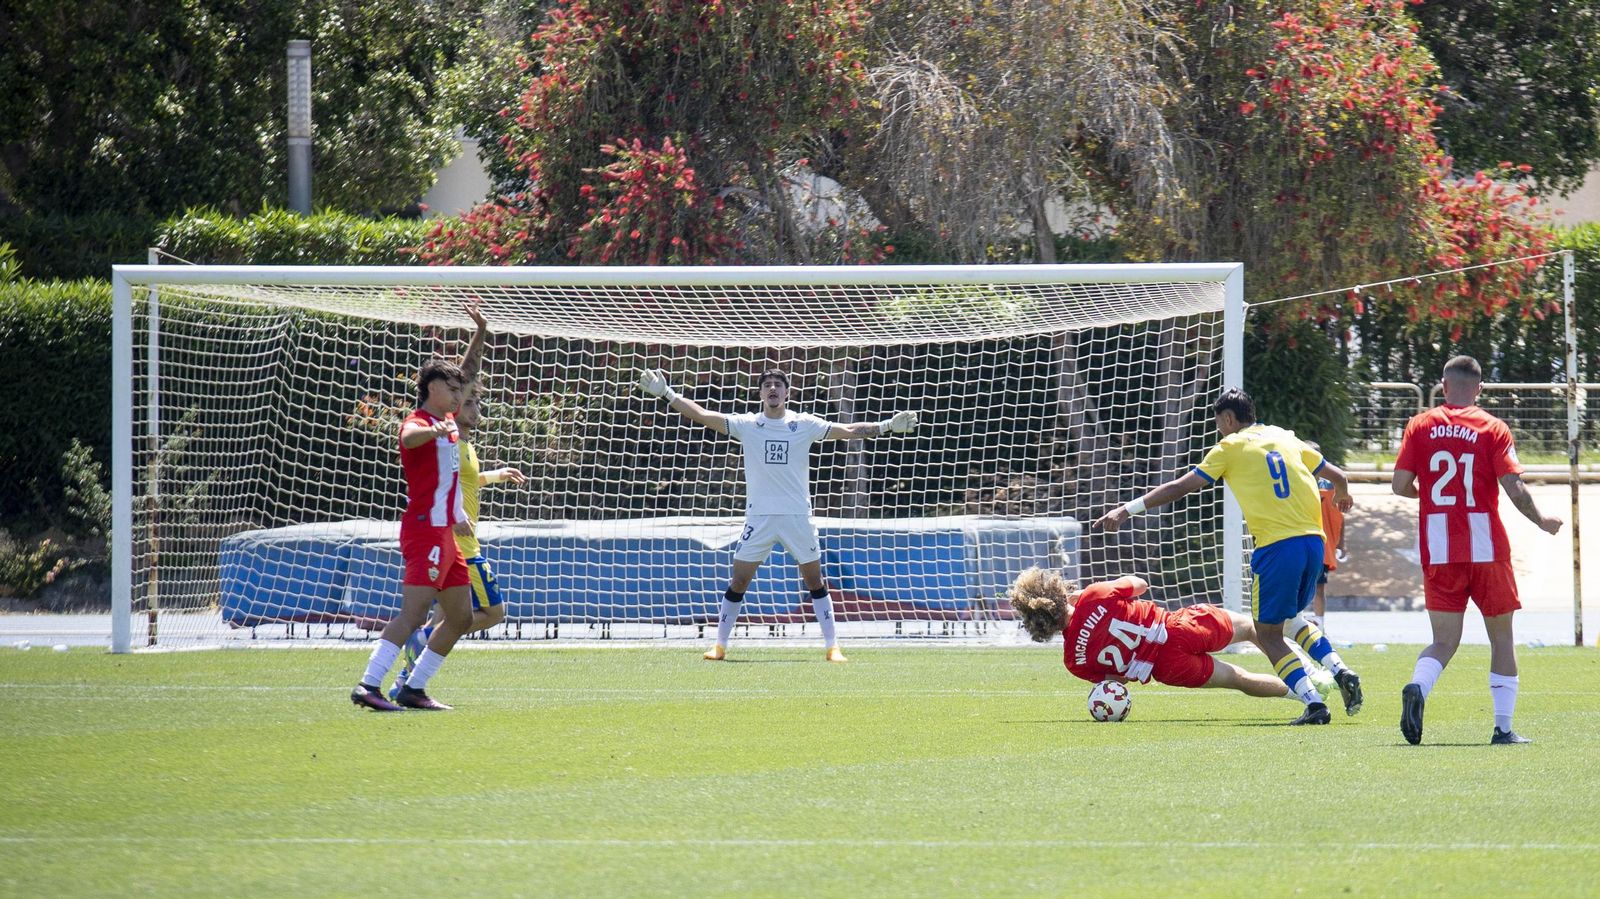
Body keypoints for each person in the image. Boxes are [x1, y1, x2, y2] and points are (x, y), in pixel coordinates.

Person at [1094, 388, 1362, 725]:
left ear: (1228, 419)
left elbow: (1181, 486)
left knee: (1266, 634)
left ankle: (1314, 704)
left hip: (1277, 547)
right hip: (1313, 543)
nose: (1218, 428)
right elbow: (1338, 476)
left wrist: (1127, 509)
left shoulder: (1230, 447)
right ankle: (1340, 669)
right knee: (1293, 620)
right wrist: (1343, 496)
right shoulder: (1284, 436)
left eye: (1218, 422)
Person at [638, 367, 918, 661]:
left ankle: (832, 647)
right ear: (760, 393)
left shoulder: (804, 424)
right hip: (759, 519)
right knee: (739, 581)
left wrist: (886, 426)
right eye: (767, 385)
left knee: (815, 581)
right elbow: (705, 416)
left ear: (787, 392)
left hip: (797, 517)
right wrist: (666, 394)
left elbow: (846, 431)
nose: (773, 389)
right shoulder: (747, 424)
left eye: (778, 385)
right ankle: (719, 646)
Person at [1391, 355, 1563, 745]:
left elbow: (1400, 485)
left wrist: (1430, 500)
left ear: (1444, 386)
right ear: (1480, 389)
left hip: (1439, 547)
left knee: (1444, 640)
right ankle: (1503, 728)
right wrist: (1542, 521)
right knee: (1501, 638)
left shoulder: (1420, 425)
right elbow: (1514, 488)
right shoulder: (1492, 427)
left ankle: (1418, 686)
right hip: (1486, 548)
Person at [390, 306, 525, 698]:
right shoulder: (439, 432)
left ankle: (409, 683)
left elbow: (464, 482)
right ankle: (400, 668)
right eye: (465, 399)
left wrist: (495, 476)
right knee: (490, 614)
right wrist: (480, 335)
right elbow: (467, 375)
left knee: (453, 615)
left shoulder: (459, 444)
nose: (468, 402)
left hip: (453, 538)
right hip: (454, 540)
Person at [349, 357, 475, 711]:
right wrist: (433, 431)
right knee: (414, 614)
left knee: (461, 617)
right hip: (425, 531)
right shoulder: (419, 422)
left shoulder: (446, 417)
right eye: (451, 390)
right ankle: (367, 685)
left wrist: (480, 331)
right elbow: (408, 435)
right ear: (431, 388)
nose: (458, 396)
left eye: (458, 390)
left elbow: (468, 370)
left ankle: (413, 689)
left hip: (446, 536)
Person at [1009, 568, 1335, 702]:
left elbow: (1114, 681)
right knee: (1254, 630)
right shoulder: (1095, 594)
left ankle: (1307, 696)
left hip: (1165, 669)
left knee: (1238, 678)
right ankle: (1310, 675)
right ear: (1054, 588)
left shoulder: (1073, 660)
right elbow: (1139, 585)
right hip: (1177, 627)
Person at [1305, 441, 1347, 628]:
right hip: (1298, 543)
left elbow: (1340, 516)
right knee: (1296, 585)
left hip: (1321, 545)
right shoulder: (1295, 482)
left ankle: (1320, 625)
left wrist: (1341, 543)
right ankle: (1294, 624)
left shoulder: (1329, 486)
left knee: (1319, 586)